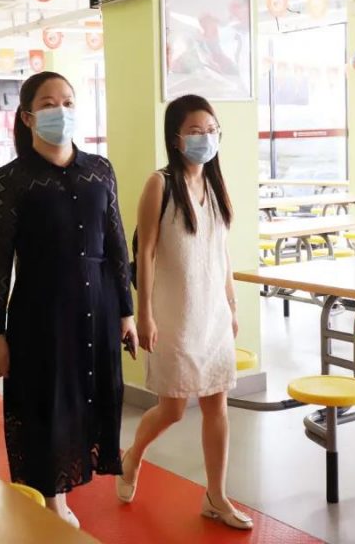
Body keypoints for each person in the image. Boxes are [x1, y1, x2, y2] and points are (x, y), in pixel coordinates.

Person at [0, 71, 138, 527]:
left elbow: (116, 246)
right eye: (49, 104)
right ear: (27, 117)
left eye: (68, 102)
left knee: (89, 395)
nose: (61, 111)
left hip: (98, 307)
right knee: (46, 400)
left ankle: (69, 483)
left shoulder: (99, 169)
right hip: (41, 311)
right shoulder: (11, 180)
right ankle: (53, 497)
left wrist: (126, 311)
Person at [116, 95, 252, 530]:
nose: (205, 138)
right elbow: (145, 253)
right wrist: (144, 315)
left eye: (211, 130)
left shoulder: (215, 185)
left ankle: (216, 496)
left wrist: (232, 305)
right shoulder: (160, 184)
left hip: (213, 315)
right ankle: (133, 456)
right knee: (173, 409)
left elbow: (221, 253)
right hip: (174, 315)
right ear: (175, 138)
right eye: (195, 131)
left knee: (217, 406)